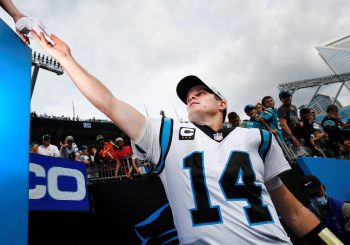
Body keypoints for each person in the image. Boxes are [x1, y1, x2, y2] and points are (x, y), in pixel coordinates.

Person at [33, 31, 342, 244]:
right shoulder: (166, 134)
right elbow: (109, 103)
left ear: (222, 103)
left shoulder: (258, 138)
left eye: (200, 92)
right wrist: (67, 59)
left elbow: (292, 210)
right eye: (187, 96)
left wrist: (331, 241)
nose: (191, 98)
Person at [299, 175, 350, 244]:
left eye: (318, 193)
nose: (316, 198)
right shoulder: (307, 218)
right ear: (306, 196)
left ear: (324, 188)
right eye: (311, 196)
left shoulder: (344, 208)